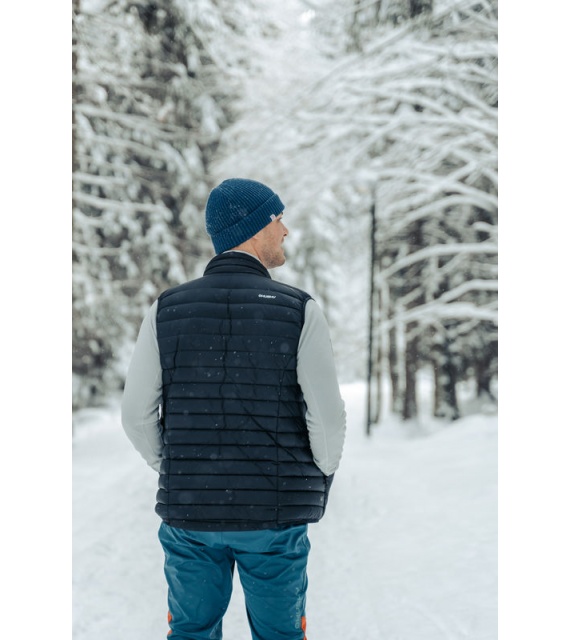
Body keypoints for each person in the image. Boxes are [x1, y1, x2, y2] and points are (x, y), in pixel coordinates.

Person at [121, 178, 346, 640]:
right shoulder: (299, 310)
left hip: (191, 519)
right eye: (278, 218)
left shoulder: (166, 309)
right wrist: (318, 475)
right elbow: (326, 418)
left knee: (192, 633)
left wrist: (175, 468)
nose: (285, 230)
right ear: (254, 227)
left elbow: (136, 414)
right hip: (275, 517)